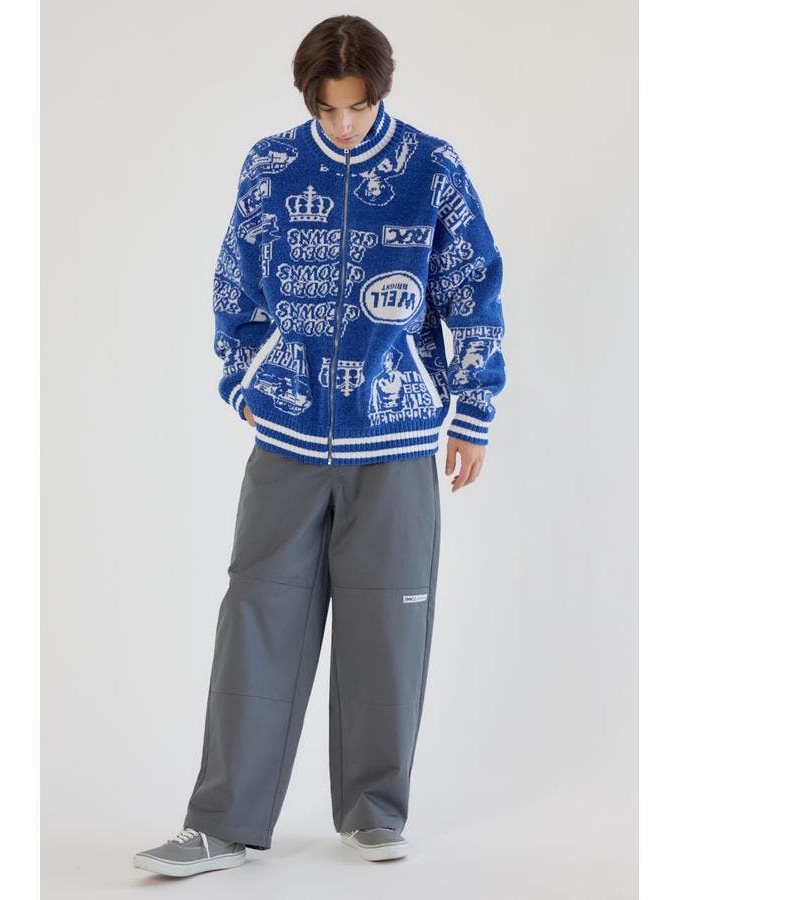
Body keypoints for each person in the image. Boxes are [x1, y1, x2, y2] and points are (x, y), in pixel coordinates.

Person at [133, 13, 506, 878]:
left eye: (358, 107)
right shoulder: (271, 165)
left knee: (388, 627)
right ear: (307, 99)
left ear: (382, 92)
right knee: (257, 619)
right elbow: (235, 281)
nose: (343, 124)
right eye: (328, 108)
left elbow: (474, 290)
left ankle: (374, 812)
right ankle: (220, 823)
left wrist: (471, 413)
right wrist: (246, 378)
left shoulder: (433, 168)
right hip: (289, 441)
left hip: (397, 440)